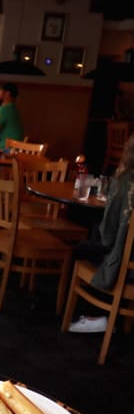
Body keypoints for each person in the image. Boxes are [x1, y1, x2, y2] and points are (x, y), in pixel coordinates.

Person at [68, 133, 134, 332]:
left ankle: (97, 316)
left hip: (125, 268)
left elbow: (108, 236)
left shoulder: (124, 182)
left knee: (82, 250)